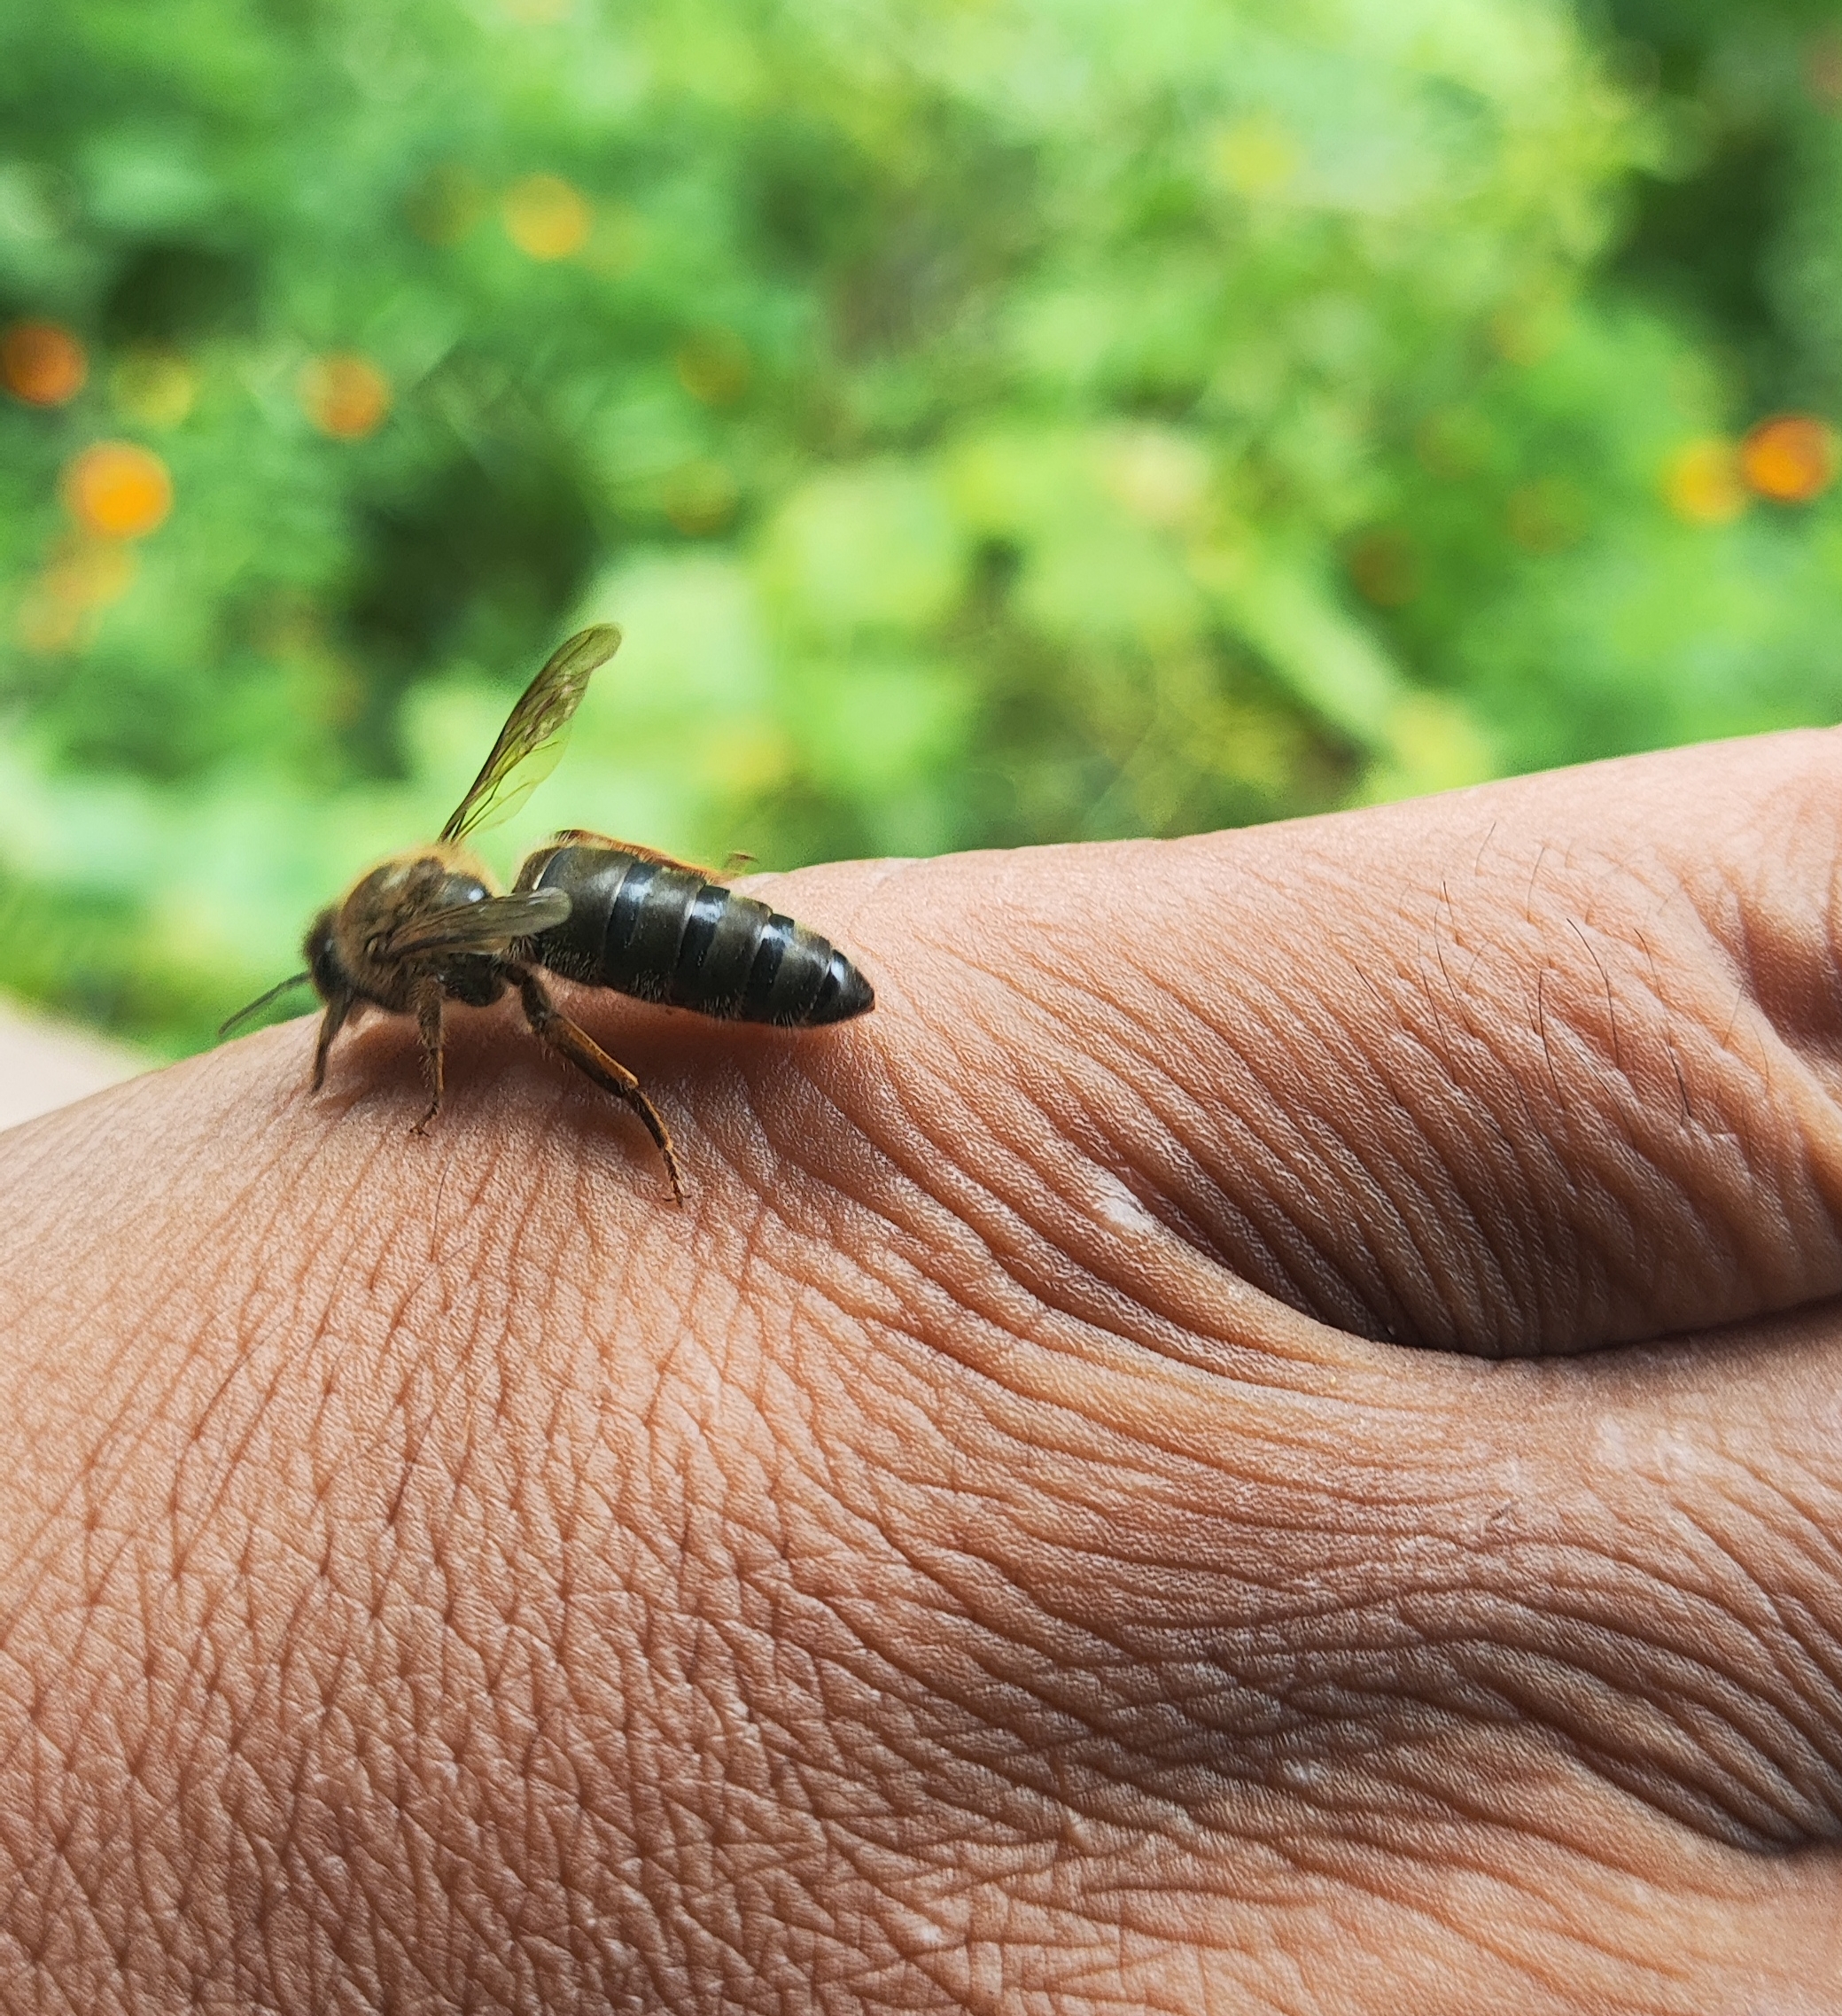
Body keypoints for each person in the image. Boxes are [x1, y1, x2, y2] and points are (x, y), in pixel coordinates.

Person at [3, 730, 1838, 2012]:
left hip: (679, 955)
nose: (360, 1018)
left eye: (359, 1003)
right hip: (665, 915)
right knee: (576, 897)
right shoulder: (470, 893)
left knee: (573, 961)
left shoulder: (446, 985)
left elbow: (472, 1011)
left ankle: (647, 1089)